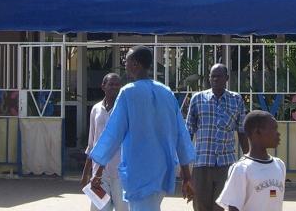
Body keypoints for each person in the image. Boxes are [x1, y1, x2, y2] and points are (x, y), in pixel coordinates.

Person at [89, 46, 196, 211]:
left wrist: (98, 167)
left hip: (139, 171)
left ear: (135, 64)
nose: (125, 64)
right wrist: (186, 175)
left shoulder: (128, 93)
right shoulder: (166, 92)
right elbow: (181, 135)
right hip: (162, 170)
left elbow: (113, 134)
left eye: (128, 60)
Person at [186, 63, 250, 211]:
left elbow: (242, 131)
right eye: (212, 76)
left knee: (221, 206)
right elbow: (188, 131)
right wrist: (185, 164)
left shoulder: (236, 100)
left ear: (226, 78)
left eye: (219, 76)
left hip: (226, 164)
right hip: (202, 163)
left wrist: (247, 159)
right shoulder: (198, 99)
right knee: (200, 206)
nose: (215, 79)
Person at [216, 110, 285, 211]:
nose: (278, 134)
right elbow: (233, 207)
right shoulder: (242, 169)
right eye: (274, 129)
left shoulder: (279, 165)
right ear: (257, 132)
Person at [81, 73, 127, 211]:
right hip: (99, 175)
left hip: (120, 173)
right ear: (103, 86)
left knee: (123, 208)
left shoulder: (125, 110)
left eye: (117, 85)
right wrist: (85, 174)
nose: (114, 87)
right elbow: (92, 144)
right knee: (99, 208)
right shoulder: (96, 109)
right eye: (111, 84)